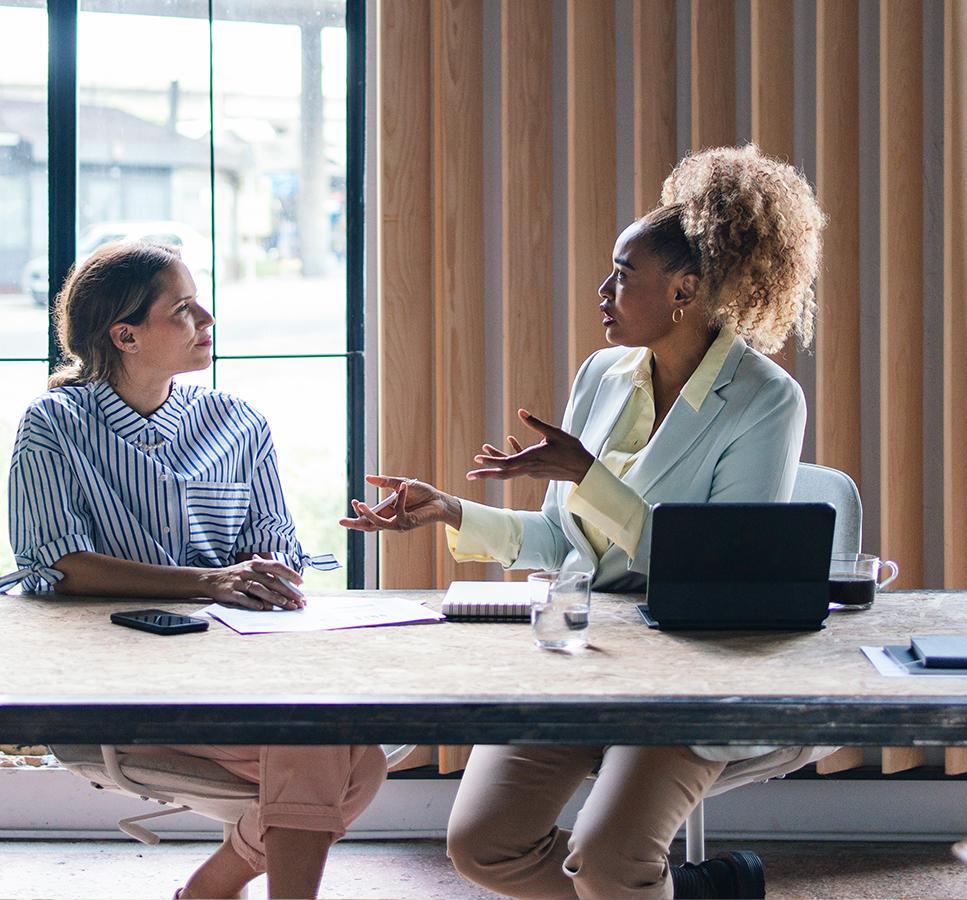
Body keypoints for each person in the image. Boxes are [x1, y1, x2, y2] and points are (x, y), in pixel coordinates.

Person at [341, 144, 829, 899]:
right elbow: (561, 542)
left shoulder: (765, 399)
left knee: (609, 859)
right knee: (483, 845)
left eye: (623, 276)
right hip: (582, 649)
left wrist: (588, 475)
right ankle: (696, 890)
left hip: (691, 669)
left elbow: (717, 570)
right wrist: (451, 509)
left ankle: (648, 885)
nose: (603, 292)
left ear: (685, 290)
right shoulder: (602, 375)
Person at [0, 241, 385, 899]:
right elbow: (60, 565)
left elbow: (274, 547)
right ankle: (211, 892)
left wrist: (270, 575)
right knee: (335, 753)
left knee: (350, 759)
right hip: (117, 689)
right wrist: (209, 581)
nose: (207, 319)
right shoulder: (54, 425)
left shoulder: (238, 422)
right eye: (184, 309)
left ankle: (204, 893)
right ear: (126, 336)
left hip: (237, 674)